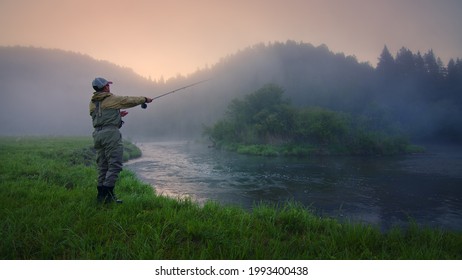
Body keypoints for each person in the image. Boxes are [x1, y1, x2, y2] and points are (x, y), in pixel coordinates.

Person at [89, 77, 153, 204]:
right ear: (105, 87)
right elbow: (128, 100)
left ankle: (101, 196)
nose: (109, 86)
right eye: (108, 84)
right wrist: (145, 99)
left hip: (97, 134)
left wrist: (117, 115)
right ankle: (107, 195)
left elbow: (100, 116)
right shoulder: (111, 99)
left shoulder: (92, 102)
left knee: (103, 165)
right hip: (110, 135)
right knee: (115, 164)